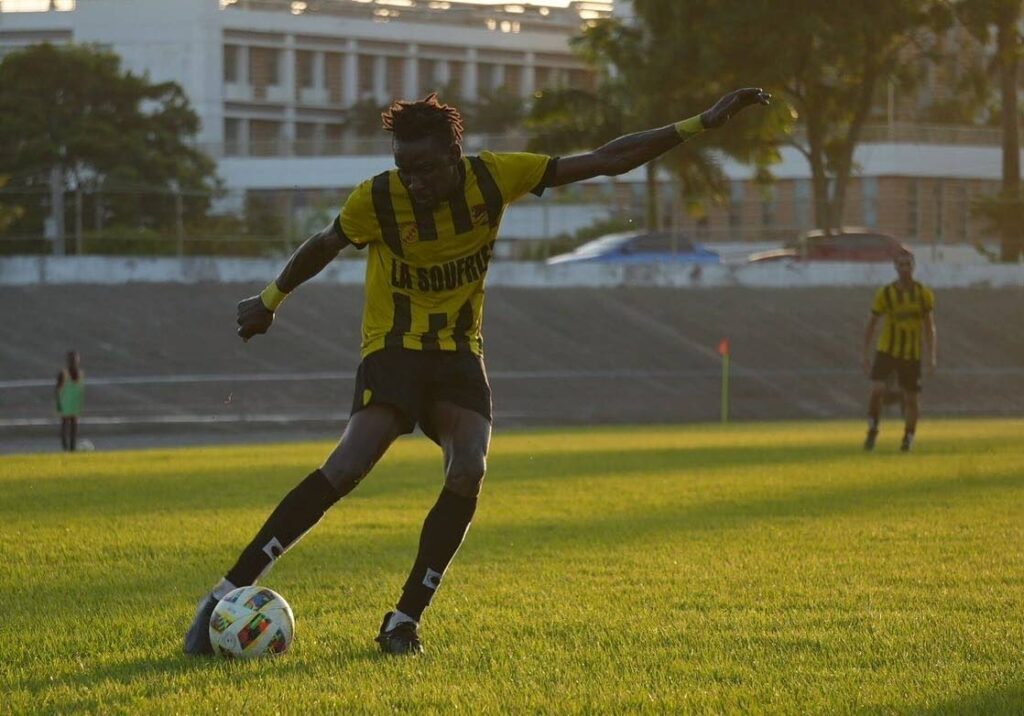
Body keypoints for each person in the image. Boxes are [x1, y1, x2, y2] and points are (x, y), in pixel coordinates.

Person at [183, 89, 770, 656]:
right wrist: (268, 300)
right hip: (394, 347)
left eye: (426, 169)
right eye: (405, 169)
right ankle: (223, 594)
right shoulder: (378, 199)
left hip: (459, 351)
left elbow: (606, 160)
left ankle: (404, 619)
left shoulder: (495, 177)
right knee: (347, 465)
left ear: (455, 156)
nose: (415, 181)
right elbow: (325, 243)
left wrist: (700, 124)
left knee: (469, 468)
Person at [862, 251, 937, 452]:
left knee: (911, 398)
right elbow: (871, 324)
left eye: (908, 264)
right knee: (877, 390)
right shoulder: (886, 293)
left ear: (913, 266)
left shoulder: (923, 294)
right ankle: (873, 429)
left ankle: (908, 438)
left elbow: (929, 327)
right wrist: (865, 354)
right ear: (895, 267)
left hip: (911, 354)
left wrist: (931, 356)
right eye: (901, 264)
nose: (905, 268)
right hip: (887, 350)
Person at [55, 350, 84, 452]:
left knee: (74, 425)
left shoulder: (80, 373)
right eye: (71, 359)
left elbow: (80, 388)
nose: (74, 361)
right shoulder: (63, 373)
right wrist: (58, 402)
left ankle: (73, 447)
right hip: (65, 402)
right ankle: (65, 446)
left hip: (74, 402)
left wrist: (80, 401)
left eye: (75, 359)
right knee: (65, 425)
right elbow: (58, 388)